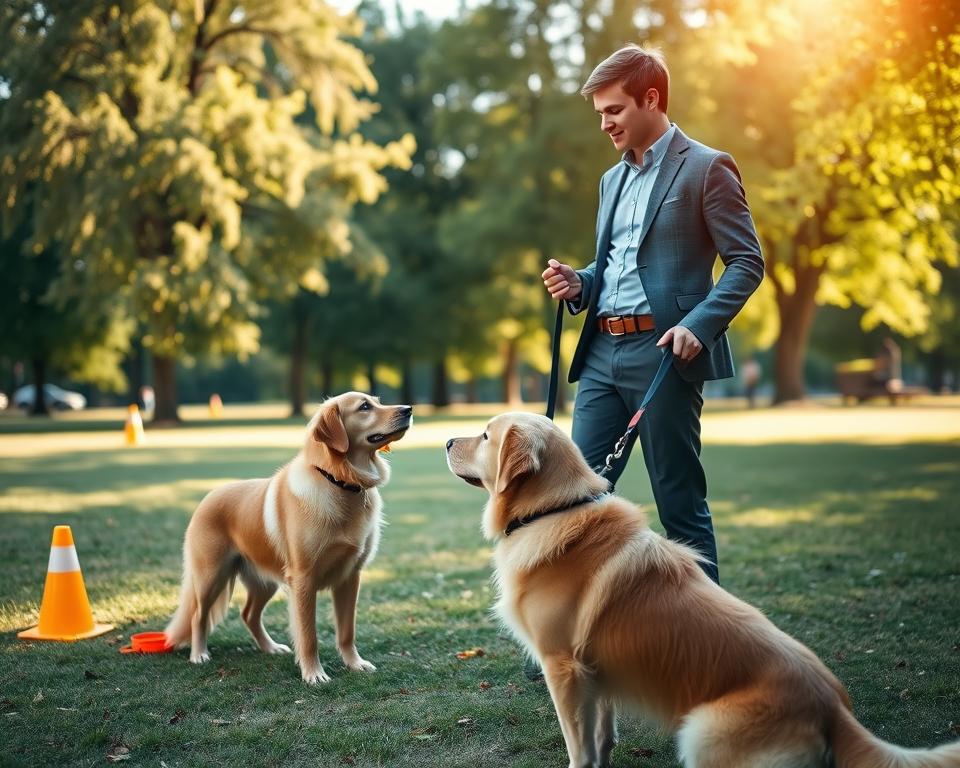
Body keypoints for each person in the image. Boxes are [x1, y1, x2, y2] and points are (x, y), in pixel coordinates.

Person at [541, 44, 763, 585]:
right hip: (599, 355)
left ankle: (710, 640)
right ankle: (567, 644)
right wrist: (581, 282)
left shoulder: (708, 168)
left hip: (664, 356)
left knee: (679, 503)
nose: (605, 124)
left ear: (651, 98)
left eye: (613, 111)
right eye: (599, 114)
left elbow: (746, 262)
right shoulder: (610, 181)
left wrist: (699, 324)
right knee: (570, 500)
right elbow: (616, 262)